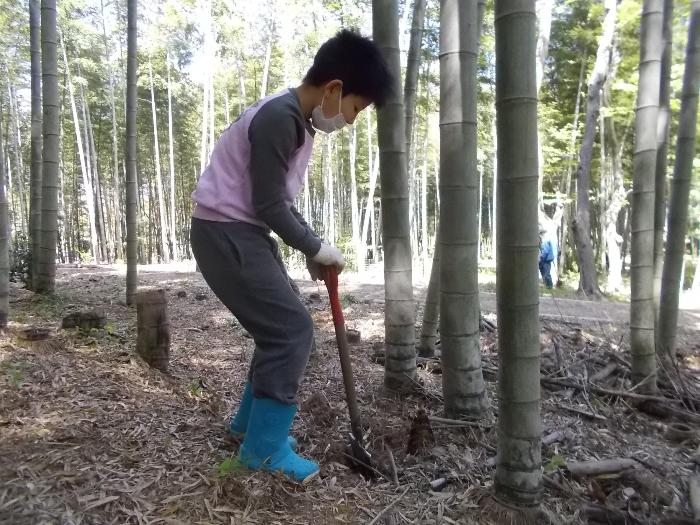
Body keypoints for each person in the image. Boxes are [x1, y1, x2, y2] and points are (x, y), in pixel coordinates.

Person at [189, 29, 392, 482]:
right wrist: (315, 245)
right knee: (291, 331)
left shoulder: (296, 119)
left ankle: (251, 428)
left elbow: (276, 201)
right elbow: (268, 204)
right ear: (334, 88)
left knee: (278, 330)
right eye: (356, 109)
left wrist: (310, 246)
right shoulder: (281, 117)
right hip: (227, 233)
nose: (352, 120)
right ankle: (262, 451)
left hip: (241, 232)